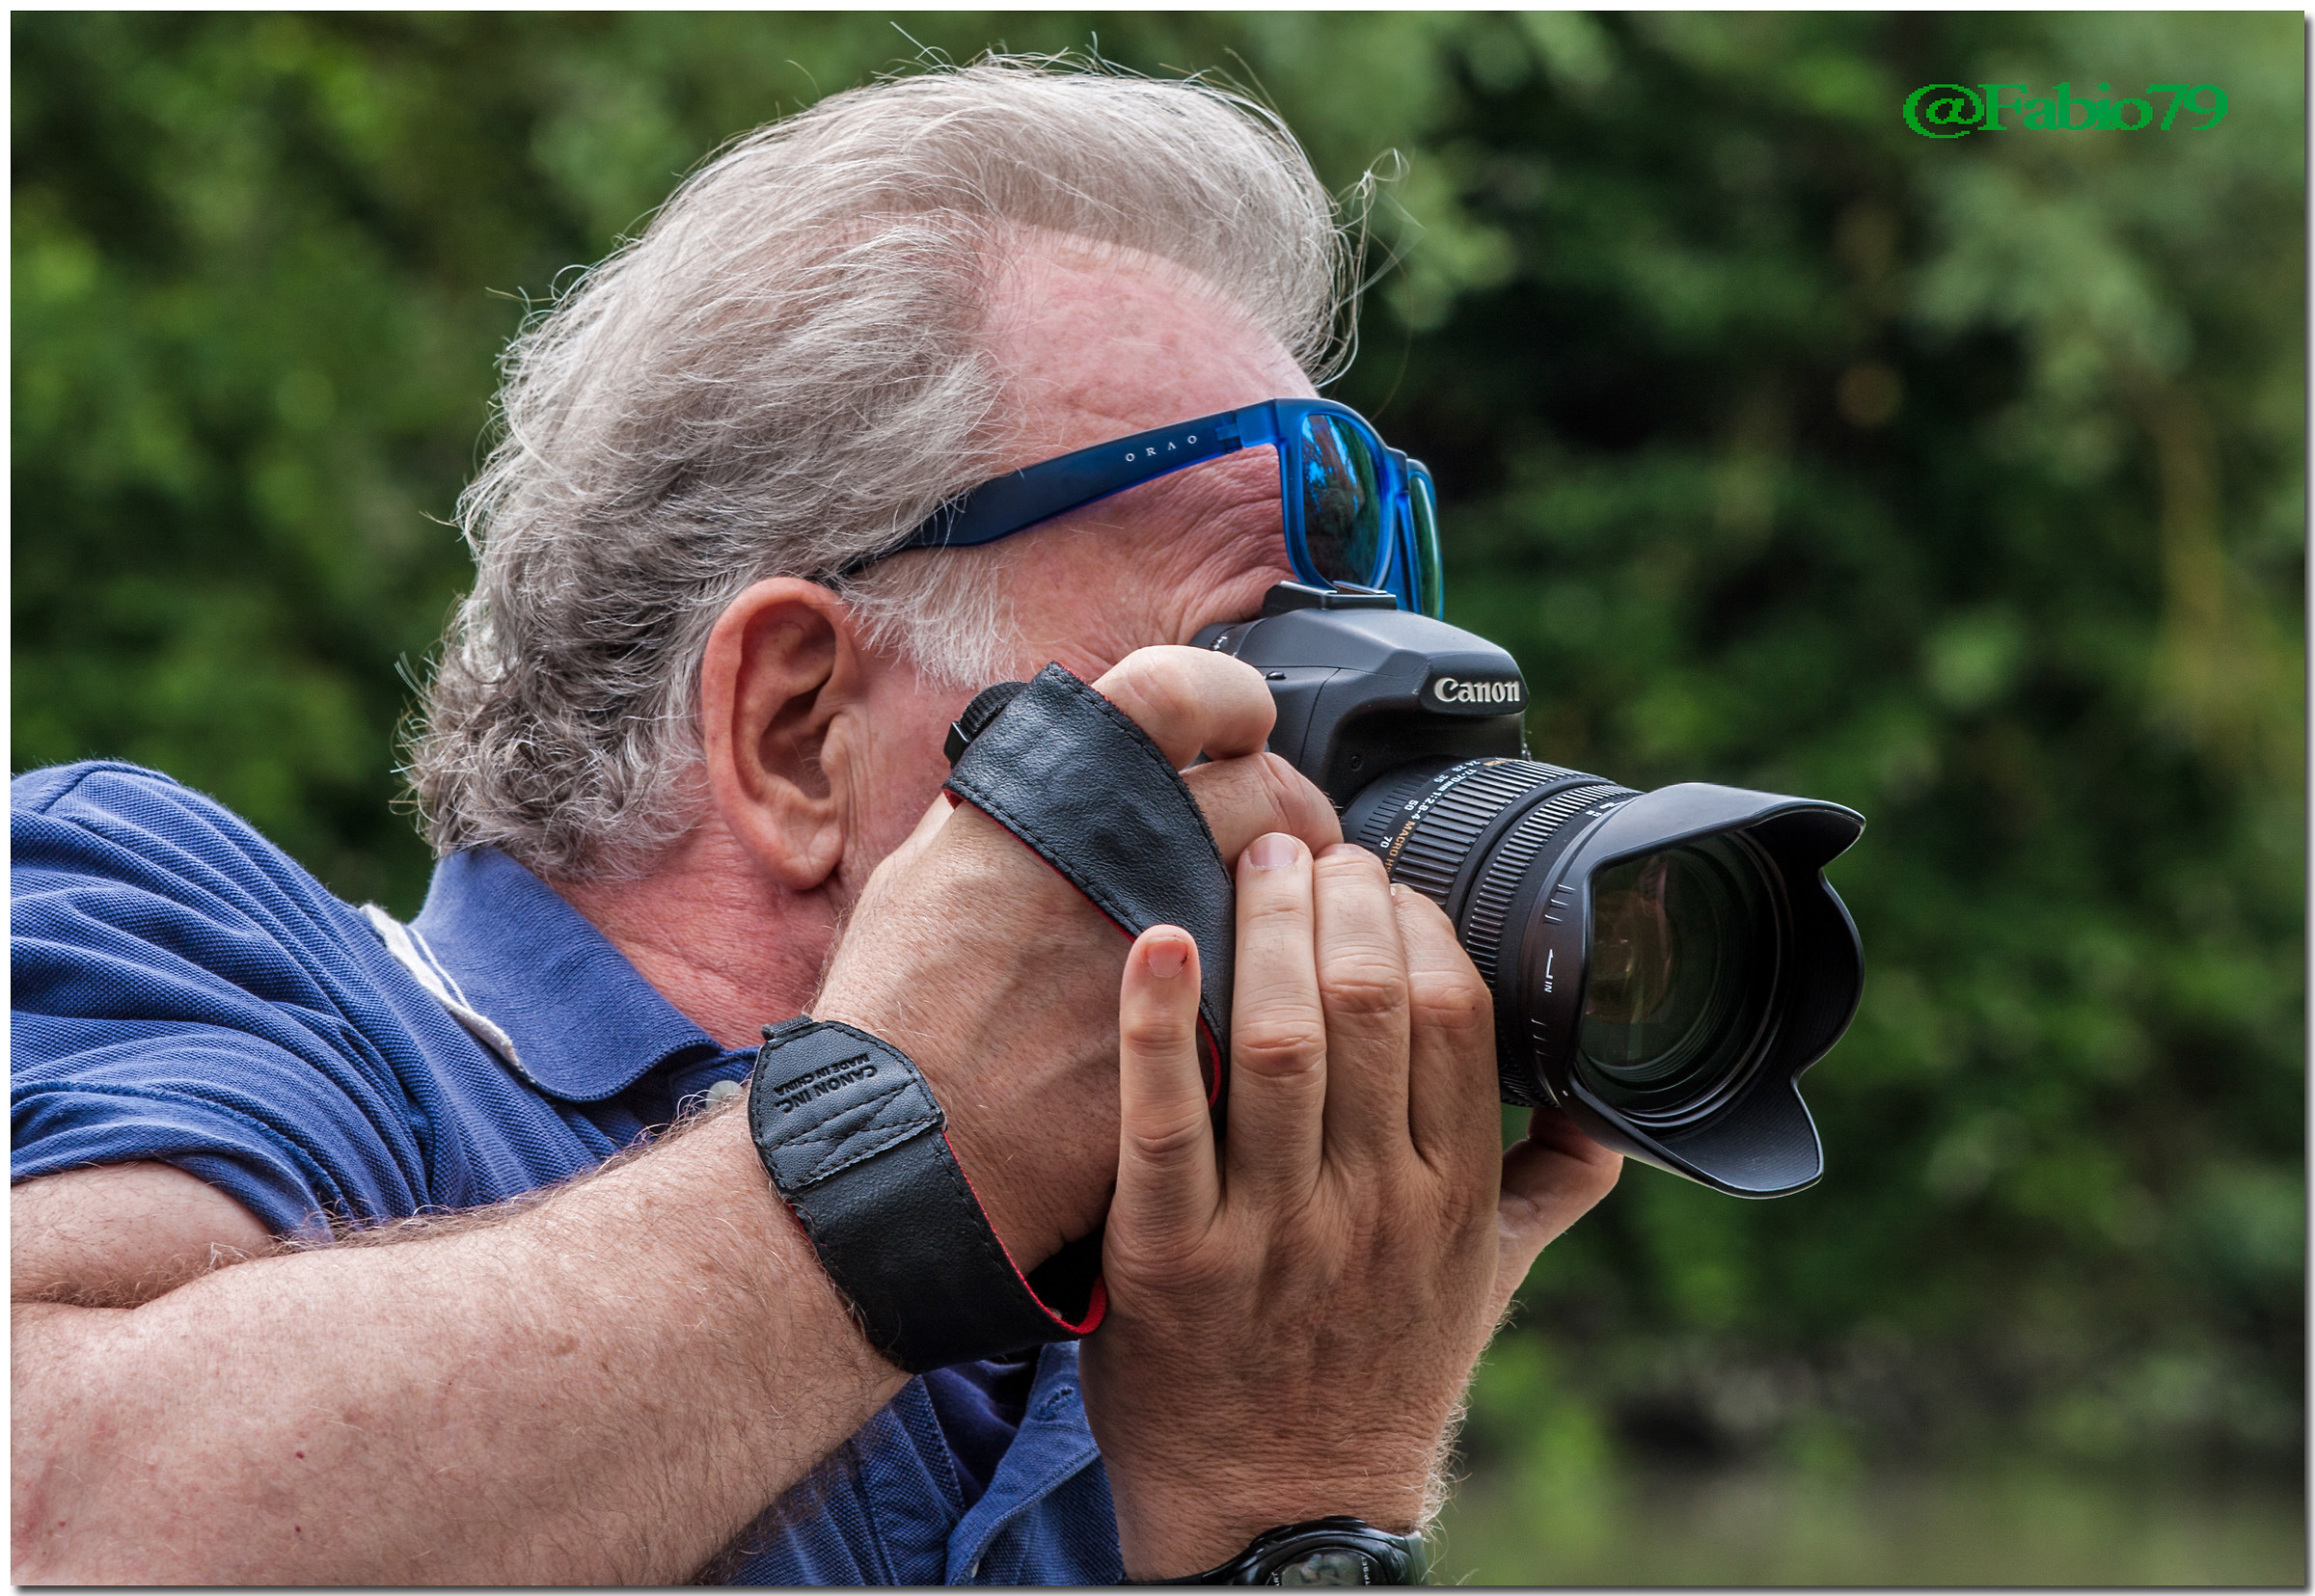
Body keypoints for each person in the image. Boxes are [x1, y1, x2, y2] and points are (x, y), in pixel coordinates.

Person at [11, 60, 1620, 1584]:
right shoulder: (187, 939)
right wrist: (906, 1163)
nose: (1323, 841)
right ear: (795, 730)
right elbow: (55, 1523)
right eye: (1245, 695)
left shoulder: (1145, 1335)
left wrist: (1285, 1505)